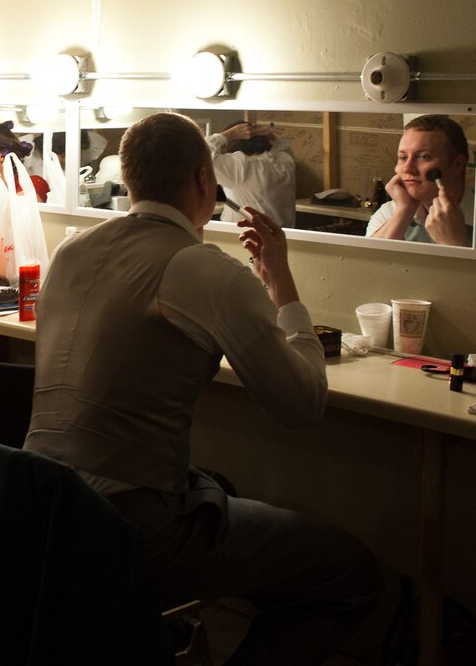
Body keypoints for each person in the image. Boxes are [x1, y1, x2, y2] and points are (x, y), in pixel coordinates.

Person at [25, 112, 381, 665]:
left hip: (40, 508)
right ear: (203, 180)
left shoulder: (70, 252)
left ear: (129, 178)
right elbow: (303, 403)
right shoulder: (202, 268)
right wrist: (281, 283)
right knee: (349, 573)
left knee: (216, 487)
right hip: (129, 530)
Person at [366, 114, 472, 246]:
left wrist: (453, 242)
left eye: (423, 157)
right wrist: (404, 210)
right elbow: (368, 259)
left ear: (458, 165)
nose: (407, 168)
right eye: (403, 158)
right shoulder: (390, 212)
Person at [208, 120, 296, 229]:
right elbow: (283, 146)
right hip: (283, 235)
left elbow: (199, 152)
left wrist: (229, 134)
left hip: (245, 236)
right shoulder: (285, 161)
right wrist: (271, 136)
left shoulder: (241, 166)